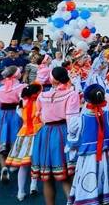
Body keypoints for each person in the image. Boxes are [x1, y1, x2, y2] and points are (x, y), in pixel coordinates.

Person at [31, 67, 80, 205]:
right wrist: (75, 138)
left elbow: (39, 114)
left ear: (52, 79)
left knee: (48, 177)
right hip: (63, 131)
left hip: (46, 132)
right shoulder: (71, 94)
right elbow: (72, 119)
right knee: (66, 176)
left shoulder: (42, 95)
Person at [0, 66, 24, 184]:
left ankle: (3, 167)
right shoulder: (21, 86)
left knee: (2, 138)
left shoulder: (0, 87)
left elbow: (0, 103)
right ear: (16, 75)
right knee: (15, 138)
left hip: (2, 114)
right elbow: (22, 102)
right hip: (15, 114)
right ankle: (14, 164)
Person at [5, 82, 43, 201]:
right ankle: (33, 184)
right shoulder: (40, 104)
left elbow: (22, 116)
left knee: (24, 163)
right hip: (38, 131)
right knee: (35, 161)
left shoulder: (22, 104)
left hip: (24, 133)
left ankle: (20, 191)